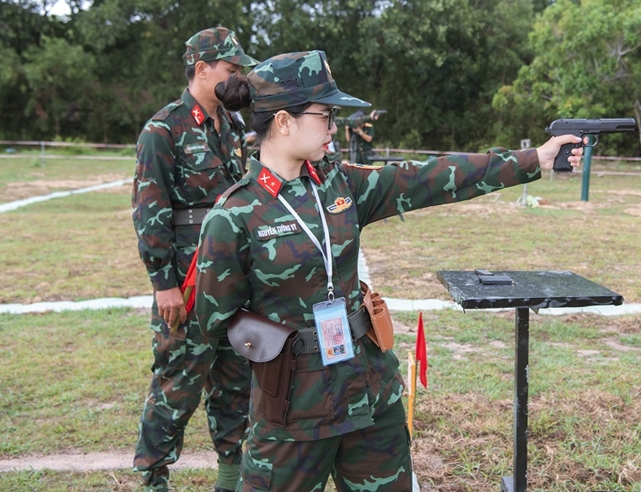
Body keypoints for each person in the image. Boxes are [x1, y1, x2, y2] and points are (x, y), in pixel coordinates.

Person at [193, 49, 587, 492]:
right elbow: (214, 322)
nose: (333, 128)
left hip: (369, 397)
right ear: (284, 122)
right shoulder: (235, 215)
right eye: (325, 115)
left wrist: (535, 158)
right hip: (293, 414)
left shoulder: (341, 184)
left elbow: (430, 178)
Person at [131, 26, 259, 492]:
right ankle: (153, 479)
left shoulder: (233, 126)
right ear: (202, 70)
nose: (236, 78)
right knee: (177, 382)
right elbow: (149, 212)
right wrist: (162, 283)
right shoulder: (161, 130)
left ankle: (230, 474)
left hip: (233, 277)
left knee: (234, 380)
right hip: (186, 281)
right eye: (230, 69)